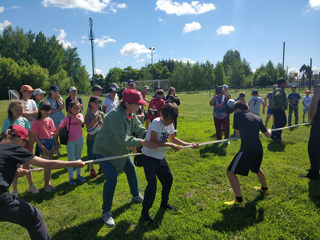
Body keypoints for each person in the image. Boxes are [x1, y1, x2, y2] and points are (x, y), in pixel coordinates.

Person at [0, 124, 85, 240]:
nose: (24, 147)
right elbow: (47, 163)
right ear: (19, 139)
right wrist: (74, 163)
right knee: (35, 217)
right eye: (24, 144)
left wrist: (14, 173)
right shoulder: (13, 147)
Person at [93, 89, 157, 228]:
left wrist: (153, 136)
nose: (140, 107)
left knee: (131, 169)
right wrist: (142, 142)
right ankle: (106, 212)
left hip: (118, 150)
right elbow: (122, 138)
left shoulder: (131, 113)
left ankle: (135, 195)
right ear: (127, 103)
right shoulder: (115, 115)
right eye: (137, 104)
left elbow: (140, 130)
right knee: (111, 178)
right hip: (104, 151)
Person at [141, 103, 199, 223]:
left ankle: (164, 203)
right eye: (167, 119)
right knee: (152, 186)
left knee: (168, 179)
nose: (168, 122)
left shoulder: (170, 124)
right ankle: (145, 213)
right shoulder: (156, 123)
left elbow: (173, 139)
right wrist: (170, 145)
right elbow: (153, 142)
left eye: (171, 120)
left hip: (160, 157)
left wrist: (189, 144)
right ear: (161, 114)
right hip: (149, 157)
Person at [224, 101, 272, 208]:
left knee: (230, 172)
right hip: (259, 149)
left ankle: (239, 201)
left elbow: (238, 134)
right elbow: (268, 135)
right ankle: (265, 189)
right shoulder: (257, 117)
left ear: (237, 109)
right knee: (256, 168)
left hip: (247, 149)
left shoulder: (237, 115)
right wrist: (269, 129)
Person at [1, 100, 39, 197]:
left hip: (24, 146)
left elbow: (27, 133)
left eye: (21, 110)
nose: (19, 112)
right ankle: (14, 190)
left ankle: (31, 186)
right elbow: (3, 135)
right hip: (12, 148)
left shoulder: (25, 120)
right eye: (17, 110)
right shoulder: (8, 121)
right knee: (15, 168)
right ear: (11, 110)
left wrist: (30, 143)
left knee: (28, 165)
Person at [54, 100, 86, 185]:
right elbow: (59, 128)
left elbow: (81, 122)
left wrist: (74, 116)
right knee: (71, 160)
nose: (77, 110)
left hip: (79, 139)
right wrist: (56, 140)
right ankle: (71, 178)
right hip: (70, 141)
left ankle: (78, 175)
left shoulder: (79, 115)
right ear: (70, 109)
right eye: (75, 108)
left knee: (78, 158)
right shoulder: (66, 119)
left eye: (79, 108)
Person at [30, 101, 56, 192]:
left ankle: (49, 183)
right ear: (40, 110)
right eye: (46, 110)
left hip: (50, 141)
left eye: (49, 110)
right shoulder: (36, 122)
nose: (48, 112)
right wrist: (42, 147)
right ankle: (46, 185)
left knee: (51, 165)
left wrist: (56, 144)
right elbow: (35, 137)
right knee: (47, 165)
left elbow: (53, 132)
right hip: (43, 143)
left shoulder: (50, 120)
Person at [300, 84, 320, 179]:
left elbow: (313, 105)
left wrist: (311, 119)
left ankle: (314, 172)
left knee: (313, 147)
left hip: (318, 122)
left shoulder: (318, 87)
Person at [85, 96, 105, 178]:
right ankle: (92, 170)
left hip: (100, 138)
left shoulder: (101, 113)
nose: (97, 104)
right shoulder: (88, 113)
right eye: (95, 103)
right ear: (91, 103)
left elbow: (103, 125)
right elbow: (87, 126)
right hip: (91, 138)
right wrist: (95, 120)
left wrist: (101, 122)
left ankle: (100, 168)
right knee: (90, 154)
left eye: (99, 103)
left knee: (100, 153)